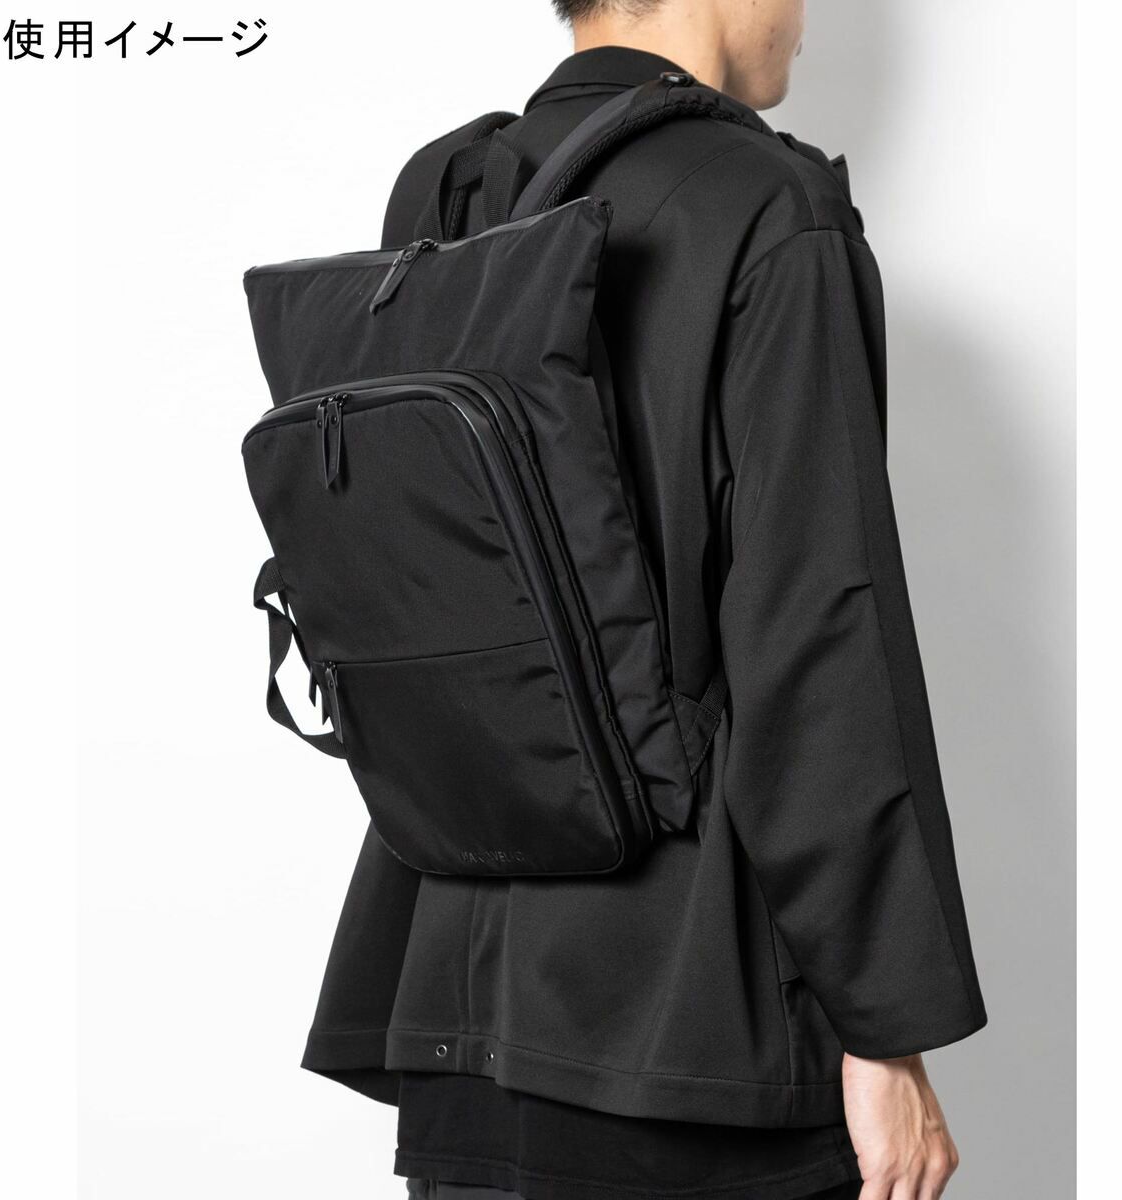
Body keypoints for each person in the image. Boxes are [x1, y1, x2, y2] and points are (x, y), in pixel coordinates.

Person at [299, 3, 987, 1199]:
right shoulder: (770, 208)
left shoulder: (449, 197)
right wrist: (887, 1030)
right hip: (692, 1041)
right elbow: (820, 633)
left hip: (456, 1002)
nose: (805, 22)